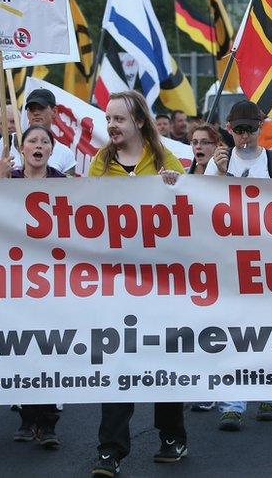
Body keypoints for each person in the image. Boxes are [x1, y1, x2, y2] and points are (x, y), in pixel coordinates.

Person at [89, 90, 186, 478]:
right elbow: (83, 215)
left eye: (119, 119)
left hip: (162, 285)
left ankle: (171, 435)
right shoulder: (100, 163)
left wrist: (175, 186)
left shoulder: (165, 160)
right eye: (108, 118)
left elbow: (189, 213)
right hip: (116, 285)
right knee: (118, 365)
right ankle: (111, 450)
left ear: (140, 122)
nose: (111, 125)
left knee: (165, 363)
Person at [204, 100, 272, 430]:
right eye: (239, 130)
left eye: (250, 129)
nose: (244, 136)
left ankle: (270, 391)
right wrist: (222, 173)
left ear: (261, 127)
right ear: (230, 130)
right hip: (229, 259)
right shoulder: (219, 163)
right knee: (232, 330)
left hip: (268, 258)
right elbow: (205, 206)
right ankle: (232, 402)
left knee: (270, 329)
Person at [0, 125, 65, 448]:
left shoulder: (63, 184)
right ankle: (27, 417)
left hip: (53, 280)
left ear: (52, 150)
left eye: (44, 141)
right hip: (17, 278)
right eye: (32, 141)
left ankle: (48, 422)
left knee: (49, 350)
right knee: (22, 349)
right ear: (21, 150)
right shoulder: (9, 181)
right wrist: (0, 181)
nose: (38, 145)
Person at [0, 89, 75, 177]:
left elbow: (70, 189)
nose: (36, 113)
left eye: (41, 108)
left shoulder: (66, 154)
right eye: (31, 109)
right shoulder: (7, 142)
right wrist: (0, 175)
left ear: (54, 111)